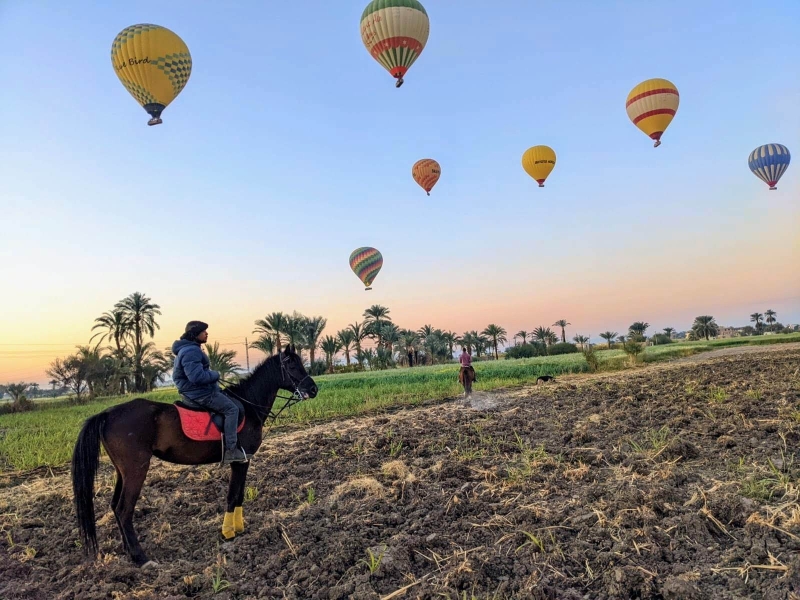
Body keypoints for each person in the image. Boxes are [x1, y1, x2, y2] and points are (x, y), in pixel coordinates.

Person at [172, 321, 248, 465]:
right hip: (199, 393)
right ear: (195, 334)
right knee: (232, 409)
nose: (206, 333)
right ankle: (231, 451)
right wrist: (215, 374)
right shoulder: (191, 351)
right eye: (203, 331)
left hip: (198, 391)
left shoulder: (188, 349)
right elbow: (196, 377)